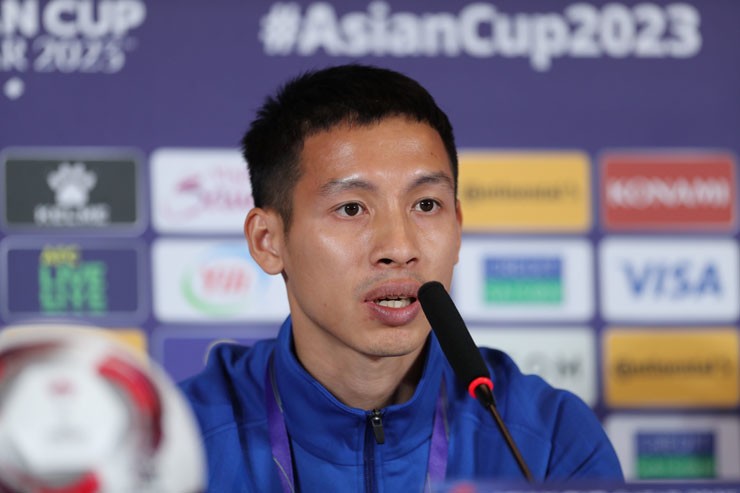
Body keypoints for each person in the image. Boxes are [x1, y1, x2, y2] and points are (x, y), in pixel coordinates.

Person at [179, 64, 623, 492]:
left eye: (426, 205)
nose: (400, 247)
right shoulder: (178, 444)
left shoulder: (547, 441)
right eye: (351, 208)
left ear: (458, 227)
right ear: (268, 241)